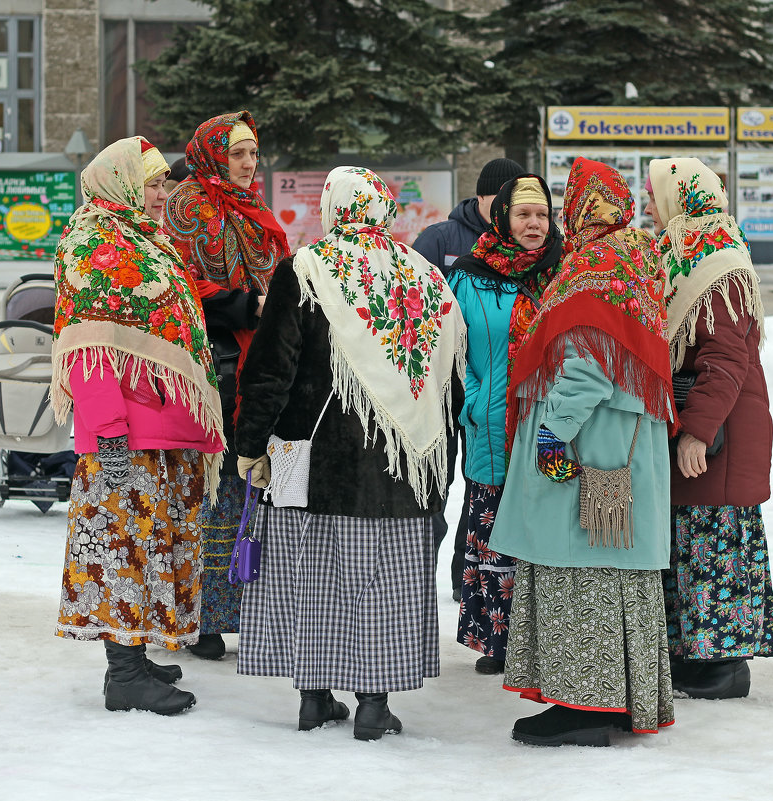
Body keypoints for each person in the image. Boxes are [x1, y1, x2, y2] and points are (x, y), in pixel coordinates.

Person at [234, 166, 465, 741]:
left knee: (309, 573)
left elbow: (270, 370)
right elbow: (449, 381)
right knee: (383, 582)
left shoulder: (306, 270)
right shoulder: (426, 279)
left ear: (335, 207)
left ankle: (314, 697)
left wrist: (250, 444)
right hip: (400, 466)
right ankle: (372, 703)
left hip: (303, 456)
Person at [489, 157, 676, 746]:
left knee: (579, 570)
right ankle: (621, 699)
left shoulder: (594, 265)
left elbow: (588, 368)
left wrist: (552, 433)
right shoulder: (640, 255)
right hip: (627, 449)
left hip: (586, 446)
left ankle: (583, 708)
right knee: (618, 574)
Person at [50, 136, 227, 715]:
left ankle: (137, 652)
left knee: (152, 544)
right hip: (127, 432)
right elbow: (89, 351)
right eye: (150, 184)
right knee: (123, 549)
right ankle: (123, 676)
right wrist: (108, 435)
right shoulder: (92, 247)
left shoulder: (141, 240)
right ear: (120, 184)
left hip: (163, 424)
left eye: (161, 183)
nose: (160, 194)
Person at [646, 156, 773, 700]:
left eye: (654, 196)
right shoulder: (688, 256)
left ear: (681, 199)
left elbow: (725, 359)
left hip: (719, 432)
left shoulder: (716, 265)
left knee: (714, 546)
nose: (648, 206)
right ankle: (701, 660)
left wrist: (697, 431)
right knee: (696, 544)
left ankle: (722, 667)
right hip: (712, 424)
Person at [162, 110, 289, 661]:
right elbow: (176, 285)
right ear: (214, 153)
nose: (247, 163)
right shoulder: (185, 204)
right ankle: (205, 618)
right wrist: (243, 304)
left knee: (254, 488)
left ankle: (252, 613)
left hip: (259, 361)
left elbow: (278, 271)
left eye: (253, 153)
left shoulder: (255, 211)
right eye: (237, 153)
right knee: (212, 490)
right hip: (210, 366)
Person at [445, 174, 563, 675]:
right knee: (493, 530)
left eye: (542, 215)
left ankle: (544, 641)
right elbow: (450, 347)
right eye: (523, 215)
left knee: (545, 528)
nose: (534, 224)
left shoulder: (565, 271)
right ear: (503, 219)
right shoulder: (470, 275)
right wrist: (472, 399)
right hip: (490, 425)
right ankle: (497, 640)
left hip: (551, 427)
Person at [413, 156, 525, 599]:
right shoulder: (440, 238)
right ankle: (418, 569)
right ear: (480, 197)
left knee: (480, 484)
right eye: (499, 198)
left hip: (487, 389)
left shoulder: (523, 245)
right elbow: (417, 308)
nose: (507, 209)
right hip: (443, 387)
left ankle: (465, 572)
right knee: (434, 485)